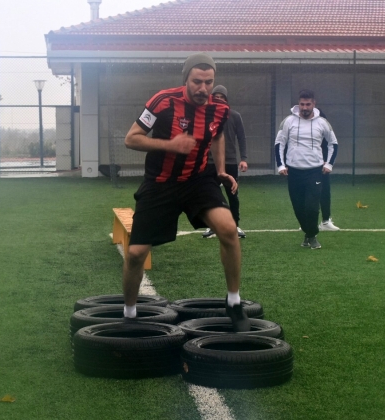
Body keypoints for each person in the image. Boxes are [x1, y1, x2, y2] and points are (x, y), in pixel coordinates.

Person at [121, 53, 249, 331]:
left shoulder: (219, 109)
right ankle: (129, 313)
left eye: (209, 82)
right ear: (186, 79)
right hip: (160, 183)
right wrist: (171, 145)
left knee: (228, 229)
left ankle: (234, 302)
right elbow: (131, 139)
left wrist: (219, 171)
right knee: (135, 254)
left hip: (197, 181)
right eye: (197, 82)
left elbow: (217, 135)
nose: (203, 88)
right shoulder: (163, 101)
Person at [275, 89, 338, 249]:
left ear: (313, 104)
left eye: (308, 104)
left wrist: (329, 164)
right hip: (293, 172)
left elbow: (333, 143)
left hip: (314, 171)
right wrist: (281, 165)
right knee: (299, 209)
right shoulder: (288, 121)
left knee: (311, 207)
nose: (304, 107)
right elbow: (279, 143)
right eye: (302, 104)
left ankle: (312, 235)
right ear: (298, 104)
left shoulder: (322, 122)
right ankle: (308, 233)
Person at [202, 85, 248, 239]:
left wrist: (244, 159)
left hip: (230, 161)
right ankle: (213, 226)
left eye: (222, 97)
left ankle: (235, 225)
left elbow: (241, 138)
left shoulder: (234, 116)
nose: (219, 99)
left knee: (232, 194)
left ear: (226, 100)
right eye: (216, 97)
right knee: (210, 194)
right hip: (208, 162)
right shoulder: (204, 115)